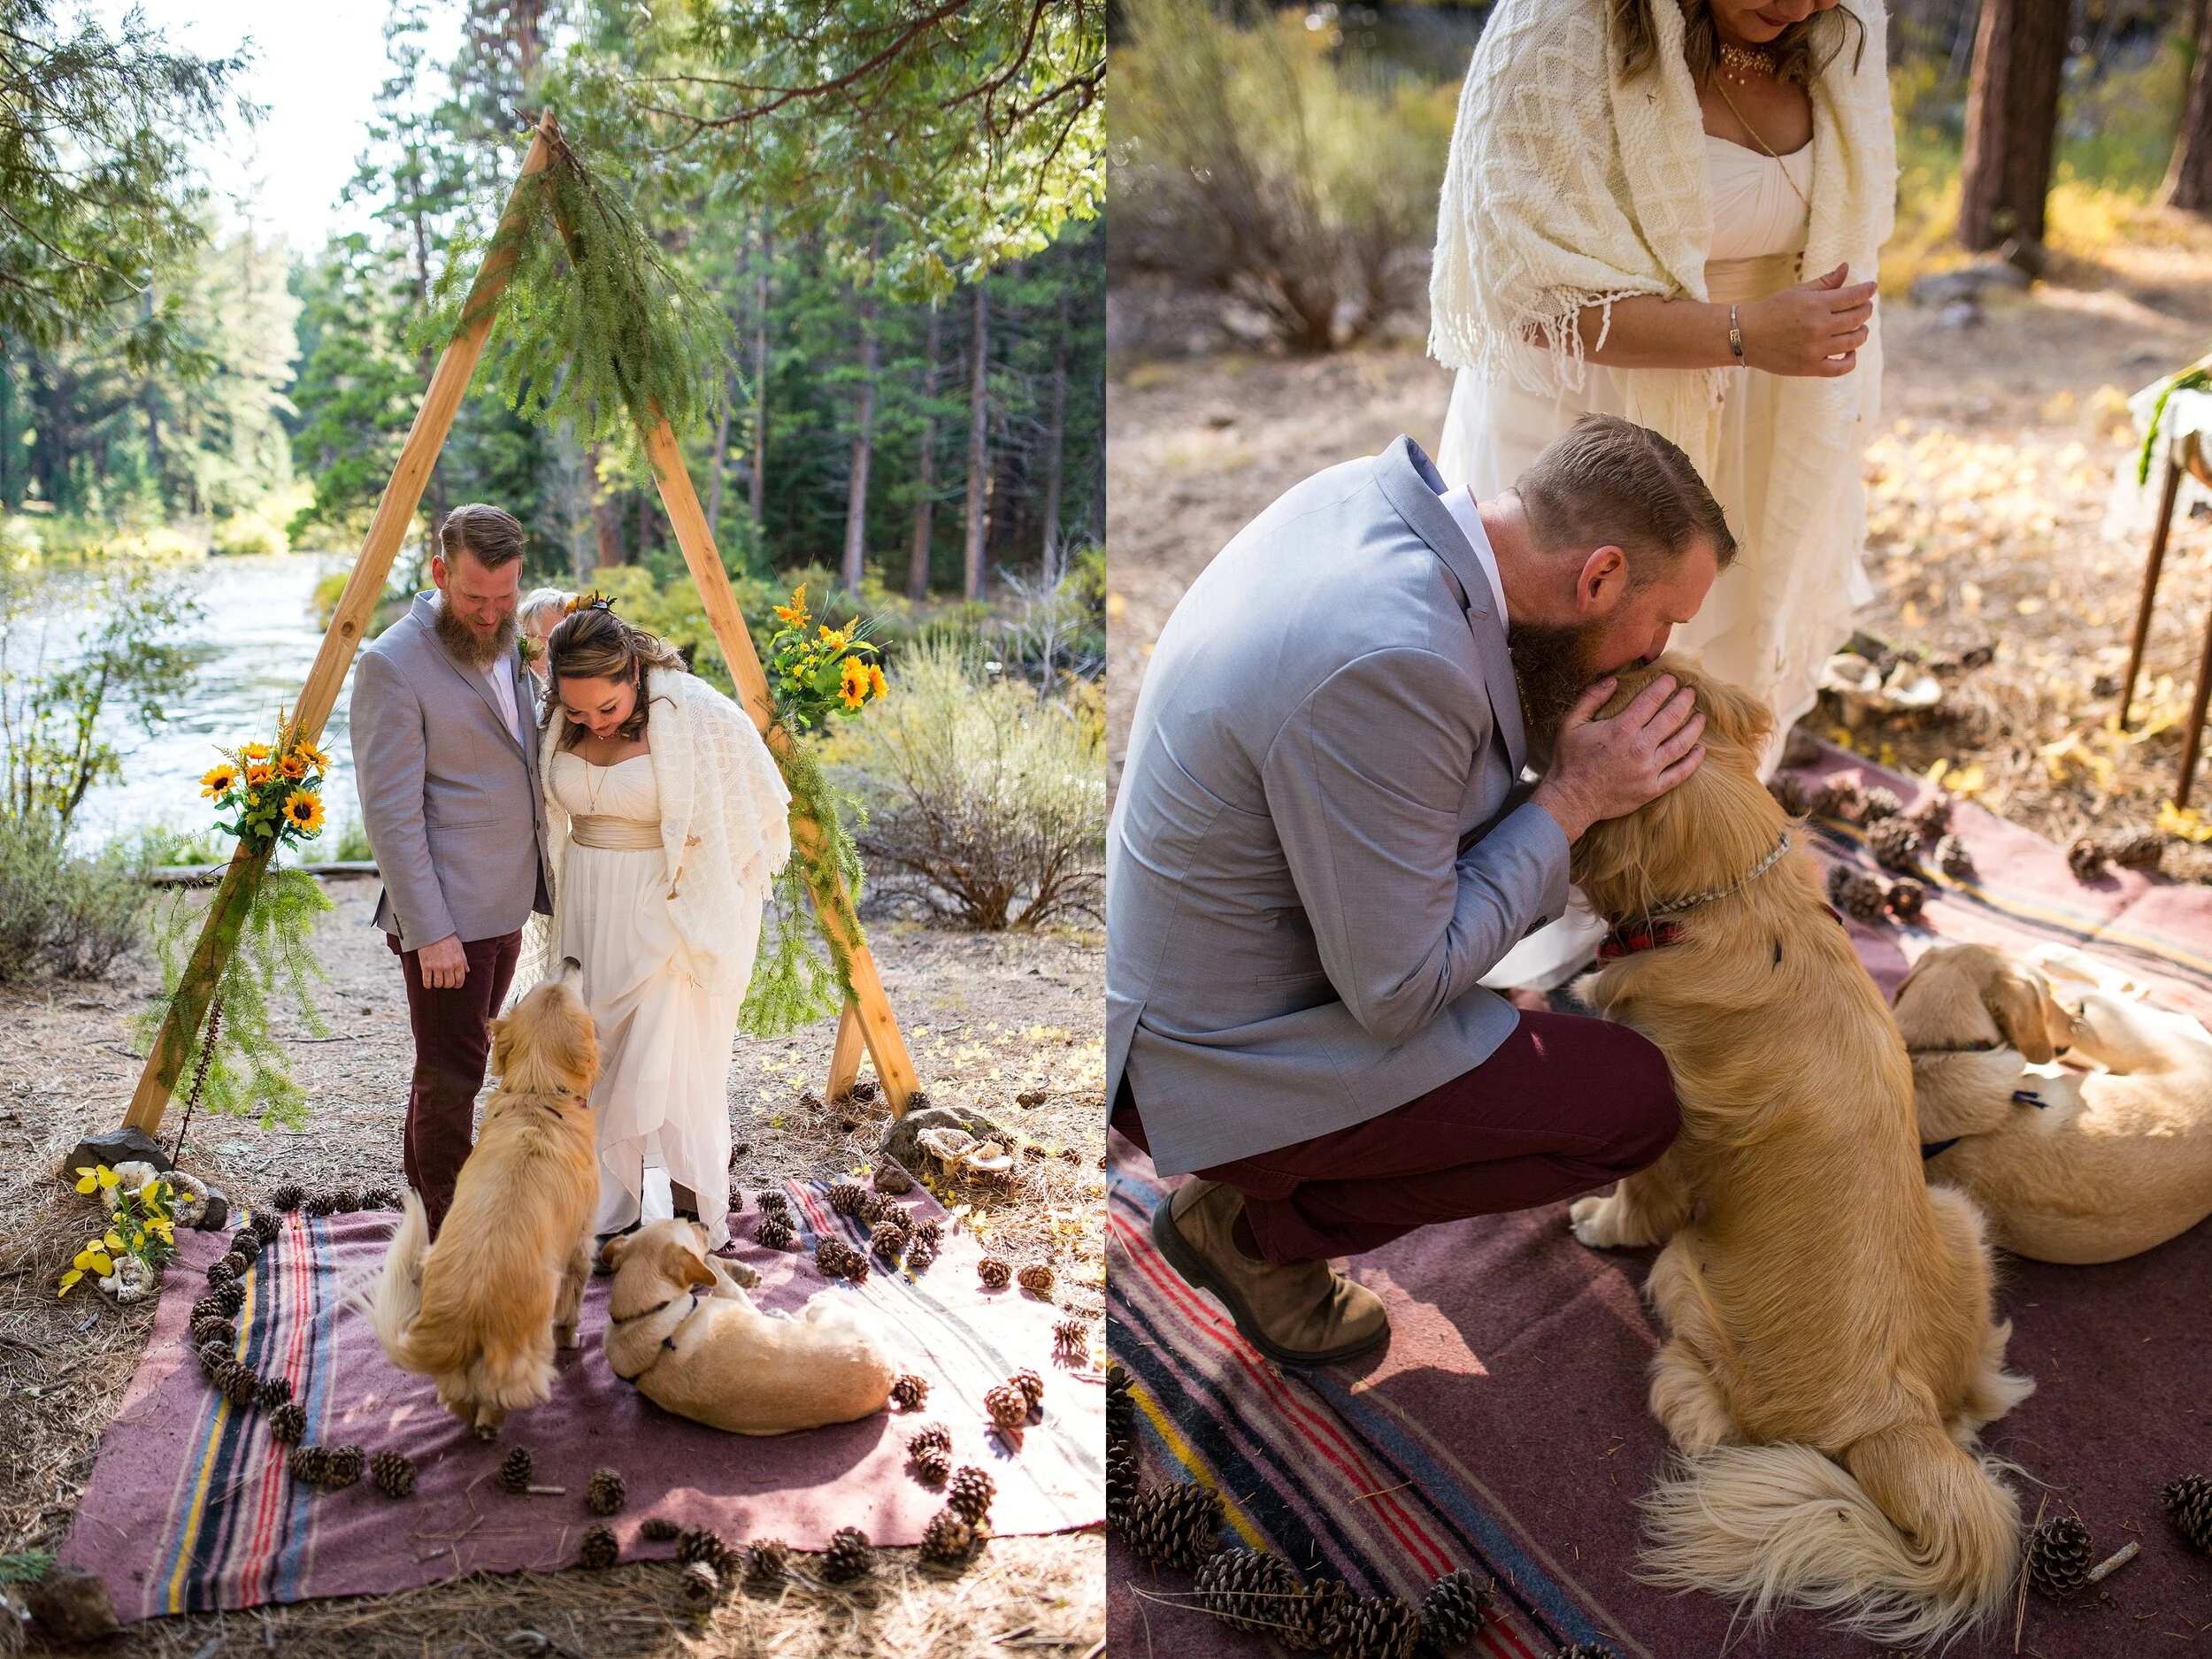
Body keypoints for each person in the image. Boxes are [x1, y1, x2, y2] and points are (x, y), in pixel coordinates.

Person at [1108, 417, 1727, 1366]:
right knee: (1633, 1101)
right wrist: (1570, 800)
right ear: (1598, 577)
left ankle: (1272, 1193)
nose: (1657, 651)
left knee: (1522, 1020)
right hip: (1212, 1056)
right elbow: (1397, 990)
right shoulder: (1396, 659)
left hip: (1214, 966)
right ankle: (1250, 1228)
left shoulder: (1359, 498)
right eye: (1665, 622)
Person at [1428, 0, 1893, 985]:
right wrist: (1738, 333)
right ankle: (1502, 943)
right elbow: (1521, 288)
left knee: (1727, 664)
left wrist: (1789, 349)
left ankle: (1677, 931)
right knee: (1571, 678)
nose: (1801, 4)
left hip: (1772, 410)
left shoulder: (1845, 29)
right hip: (1597, 411)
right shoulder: (1558, 26)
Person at [538, 601, 791, 1250]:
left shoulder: (689, 710)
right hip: (586, 909)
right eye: (577, 712)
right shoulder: (557, 722)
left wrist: (716, 880)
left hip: (664, 912)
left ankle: (686, 1218)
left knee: (670, 1065)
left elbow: (756, 790)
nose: (592, 722)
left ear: (634, 676)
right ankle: (604, 1215)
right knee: (590, 1060)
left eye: (607, 709)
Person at [351, 504, 551, 1237]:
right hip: (446, 921)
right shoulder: (391, 663)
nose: (492, 612)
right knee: (452, 1075)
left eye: (505, 597)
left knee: (451, 1065)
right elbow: (392, 817)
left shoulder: (504, 637)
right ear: (439, 573)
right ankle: (450, 1235)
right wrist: (429, 931)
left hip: (503, 905)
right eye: (476, 598)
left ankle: (427, 1217)